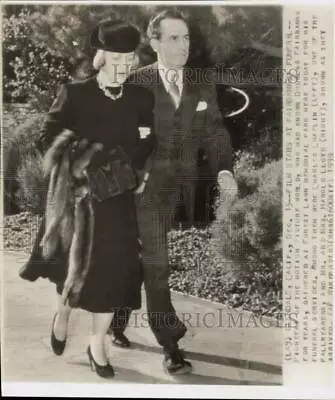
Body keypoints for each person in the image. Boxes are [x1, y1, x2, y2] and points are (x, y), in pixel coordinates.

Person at [19, 18, 156, 379]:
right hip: (76, 200)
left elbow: (146, 139)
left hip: (116, 197)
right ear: (101, 56)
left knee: (111, 274)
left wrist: (131, 172)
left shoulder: (141, 97)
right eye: (117, 58)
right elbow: (48, 136)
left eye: (130, 59)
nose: (125, 66)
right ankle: (63, 312)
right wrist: (86, 160)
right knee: (72, 270)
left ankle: (98, 345)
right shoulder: (76, 93)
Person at [109, 9, 238, 375]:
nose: (183, 45)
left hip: (172, 189)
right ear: (155, 43)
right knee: (156, 262)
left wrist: (224, 169)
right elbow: (121, 139)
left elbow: (214, 132)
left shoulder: (200, 82)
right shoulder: (135, 84)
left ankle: (118, 317)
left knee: (145, 258)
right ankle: (169, 343)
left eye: (186, 38)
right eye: (174, 38)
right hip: (136, 188)